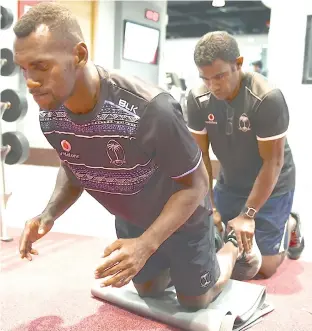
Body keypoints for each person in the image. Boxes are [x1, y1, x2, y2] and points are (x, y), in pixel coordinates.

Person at [13, 3, 260, 312]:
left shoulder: (149, 108)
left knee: (195, 301)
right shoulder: (51, 115)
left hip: (182, 217)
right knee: (151, 292)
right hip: (132, 217)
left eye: (41, 66)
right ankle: (179, 262)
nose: (30, 81)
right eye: (24, 69)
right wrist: (48, 213)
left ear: (78, 55)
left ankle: (228, 247)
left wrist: (146, 245)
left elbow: (195, 186)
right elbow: (73, 165)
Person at [187, 31, 305, 279]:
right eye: (205, 78)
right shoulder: (198, 98)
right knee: (219, 244)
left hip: (274, 184)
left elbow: (273, 162)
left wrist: (248, 215)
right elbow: (201, 158)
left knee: (264, 268)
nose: (213, 85)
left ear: (238, 64)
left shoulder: (265, 98)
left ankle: (290, 224)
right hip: (231, 182)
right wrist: (210, 206)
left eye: (219, 76)